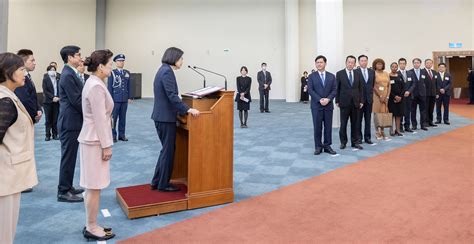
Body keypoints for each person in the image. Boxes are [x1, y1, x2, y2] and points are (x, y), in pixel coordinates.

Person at [0, 52, 38, 244]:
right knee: (4, 235)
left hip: (10, 177)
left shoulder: (8, 96)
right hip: (4, 179)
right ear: (9, 72)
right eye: (21, 69)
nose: (25, 72)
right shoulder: (5, 101)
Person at [151, 47, 200, 192]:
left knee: (166, 150)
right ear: (174, 58)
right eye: (181, 58)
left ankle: (157, 181)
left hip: (162, 117)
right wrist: (188, 109)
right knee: (168, 151)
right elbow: (171, 96)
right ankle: (163, 184)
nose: (182, 61)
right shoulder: (167, 72)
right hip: (165, 118)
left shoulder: (163, 69)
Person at [79, 49, 116, 241]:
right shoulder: (95, 86)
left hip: (93, 139)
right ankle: (91, 226)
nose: (112, 67)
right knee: (93, 186)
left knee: (93, 186)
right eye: (110, 64)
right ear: (101, 67)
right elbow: (101, 120)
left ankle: (91, 222)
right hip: (95, 140)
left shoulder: (95, 82)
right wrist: (107, 145)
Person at [57, 45, 85, 203]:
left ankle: (68, 186)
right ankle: (62, 191)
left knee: (71, 157)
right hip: (70, 123)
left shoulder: (71, 73)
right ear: (70, 58)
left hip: (74, 122)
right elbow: (77, 101)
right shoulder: (68, 75)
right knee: (68, 158)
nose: (81, 58)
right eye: (78, 55)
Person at [308, 55, 337, 155]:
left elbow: (335, 90)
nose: (319, 64)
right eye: (317, 62)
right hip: (316, 106)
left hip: (328, 106)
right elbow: (310, 90)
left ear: (325, 63)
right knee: (317, 127)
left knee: (328, 127)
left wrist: (328, 99)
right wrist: (319, 99)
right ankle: (318, 146)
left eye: (321, 62)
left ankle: (327, 146)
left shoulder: (331, 76)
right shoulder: (311, 76)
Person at [336, 55, 364, 150]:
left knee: (355, 124)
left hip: (356, 103)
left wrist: (361, 101)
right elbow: (337, 88)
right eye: (349, 62)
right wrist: (337, 100)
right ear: (346, 62)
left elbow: (361, 88)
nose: (350, 64)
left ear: (355, 64)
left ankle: (355, 142)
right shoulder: (340, 74)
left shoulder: (358, 74)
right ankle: (343, 142)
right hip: (344, 103)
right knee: (343, 124)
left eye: (352, 62)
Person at [107, 54, 132, 142]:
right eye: (119, 61)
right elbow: (109, 87)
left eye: (122, 61)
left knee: (123, 118)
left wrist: (129, 97)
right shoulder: (112, 73)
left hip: (124, 99)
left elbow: (129, 86)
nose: (121, 62)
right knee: (114, 118)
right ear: (115, 62)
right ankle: (113, 136)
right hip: (115, 99)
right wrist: (110, 99)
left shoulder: (127, 73)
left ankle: (122, 135)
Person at [14, 49, 42, 124]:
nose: (34, 63)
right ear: (23, 62)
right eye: (32, 61)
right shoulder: (20, 78)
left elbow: (33, 96)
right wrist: (34, 115)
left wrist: (39, 109)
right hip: (25, 118)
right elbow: (24, 100)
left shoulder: (27, 76)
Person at [355, 55, 375, 144]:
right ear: (359, 62)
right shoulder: (355, 72)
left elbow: (372, 85)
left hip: (369, 100)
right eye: (362, 61)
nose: (364, 62)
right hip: (359, 101)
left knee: (368, 119)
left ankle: (367, 137)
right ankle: (359, 138)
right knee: (358, 120)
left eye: (365, 60)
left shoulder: (372, 71)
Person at [372, 58, 391, 140]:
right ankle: (377, 132)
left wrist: (387, 96)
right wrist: (380, 95)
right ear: (375, 65)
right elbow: (373, 85)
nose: (379, 65)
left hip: (385, 96)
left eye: (381, 64)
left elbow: (389, 85)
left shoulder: (386, 73)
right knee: (377, 114)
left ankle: (383, 132)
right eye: (378, 64)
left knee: (383, 114)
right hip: (377, 97)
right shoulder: (373, 73)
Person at [407, 58, 428, 131]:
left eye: (418, 62)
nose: (416, 64)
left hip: (422, 94)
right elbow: (409, 84)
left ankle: (423, 125)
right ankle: (414, 125)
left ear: (420, 63)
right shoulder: (409, 72)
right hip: (413, 94)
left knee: (423, 110)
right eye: (415, 63)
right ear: (413, 64)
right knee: (413, 111)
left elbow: (426, 83)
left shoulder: (423, 72)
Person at [42, 65, 60, 141]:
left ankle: (55, 134)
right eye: (51, 69)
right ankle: (47, 135)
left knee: (55, 119)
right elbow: (45, 90)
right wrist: (52, 97)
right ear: (48, 71)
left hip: (57, 101)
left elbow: (60, 88)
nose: (53, 71)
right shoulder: (45, 79)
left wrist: (58, 97)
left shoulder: (58, 78)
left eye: (54, 69)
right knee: (48, 119)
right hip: (48, 102)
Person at [388, 62, 404, 136]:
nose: (394, 68)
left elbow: (404, 87)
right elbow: (388, 89)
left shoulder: (400, 76)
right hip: (391, 99)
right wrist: (394, 97)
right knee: (392, 115)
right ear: (390, 67)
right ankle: (391, 130)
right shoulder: (388, 76)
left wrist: (400, 97)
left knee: (398, 115)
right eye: (393, 67)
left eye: (395, 67)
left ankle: (397, 130)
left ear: (397, 68)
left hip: (400, 99)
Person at [398, 58, 412, 133]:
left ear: (406, 64)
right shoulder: (397, 73)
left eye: (404, 63)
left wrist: (409, 91)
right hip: (401, 96)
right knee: (401, 112)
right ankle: (400, 127)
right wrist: (402, 93)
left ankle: (407, 126)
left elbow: (414, 83)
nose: (402, 65)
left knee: (408, 111)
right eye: (401, 63)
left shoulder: (410, 73)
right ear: (399, 64)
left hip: (408, 96)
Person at [422, 59, 438, 127]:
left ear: (432, 64)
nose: (429, 64)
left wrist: (437, 93)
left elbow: (436, 83)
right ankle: (425, 122)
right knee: (425, 108)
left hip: (433, 94)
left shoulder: (434, 72)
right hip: (425, 94)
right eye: (427, 63)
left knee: (431, 108)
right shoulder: (422, 72)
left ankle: (430, 121)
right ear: (425, 64)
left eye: (430, 63)